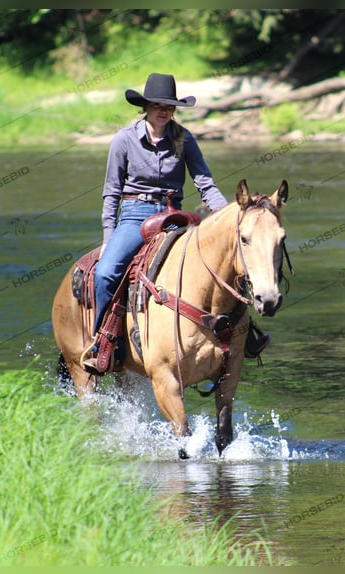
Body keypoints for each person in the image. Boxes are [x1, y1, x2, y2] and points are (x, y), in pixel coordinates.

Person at [81, 72, 269, 374]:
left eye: (169, 105)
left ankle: (244, 334)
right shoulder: (124, 139)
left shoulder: (184, 138)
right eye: (157, 104)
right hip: (135, 216)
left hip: (176, 216)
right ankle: (104, 341)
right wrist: (108, 236)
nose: (163, 110)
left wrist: (229, 218)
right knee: (105, 273)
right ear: (145, 106)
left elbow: (205, 183)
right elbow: (111, 192)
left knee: (227, 261)